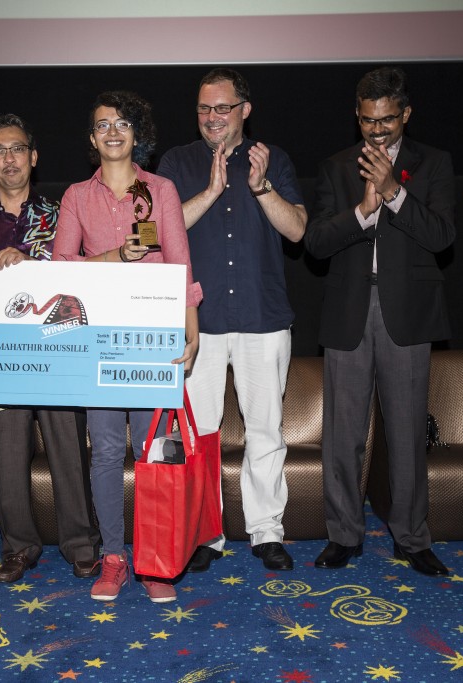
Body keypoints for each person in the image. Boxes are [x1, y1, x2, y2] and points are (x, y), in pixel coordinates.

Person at [53, 90, 202, 603]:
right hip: (98, 340)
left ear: (137, 133)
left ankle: (155, 557)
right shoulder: (76, 196)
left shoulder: (161, 190)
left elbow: (180, 265)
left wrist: (192, 326)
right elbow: (60, 267)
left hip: (153, 337)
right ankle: (114, 557)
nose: (112, 132)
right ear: (92, 139)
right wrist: (115, 256)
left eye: (121, 123)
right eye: (101, 125)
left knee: (153, 452)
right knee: (106, 451)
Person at [304, 66, 454, 577]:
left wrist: (394, 192)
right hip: (349, 311)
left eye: (387, 120)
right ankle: (343, 535)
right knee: (342, 434)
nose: (377, 130)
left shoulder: (433, 163)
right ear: (357, 116)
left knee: (408, 433)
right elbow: (316, 243)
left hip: (406, 315)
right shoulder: (335, 167)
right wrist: (363, 211)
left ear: (405, 114)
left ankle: (412, 538)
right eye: (368, 120)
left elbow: (441, 237)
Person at [157, 68, 306, 573]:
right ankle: (207, 533)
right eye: (204, 108)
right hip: (197, 319)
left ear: (245, 109)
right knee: (199, 434)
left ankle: (266, 532)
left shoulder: (274, 159)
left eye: (222, 107)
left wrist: (261, 188)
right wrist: (212, 191)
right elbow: (158, 232)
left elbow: (298, 231)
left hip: (262, 316)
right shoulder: (176, 162)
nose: (212, 117)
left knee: (265, 429)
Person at [0, 114, 100, 583]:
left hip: (58, 354)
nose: (8, 158)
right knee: (6, 460)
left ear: (33, 157)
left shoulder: (64, 215)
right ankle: (18, 547)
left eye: (16, 148)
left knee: (70, 454)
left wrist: (33, 265)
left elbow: (89, 277)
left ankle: (81, 545)